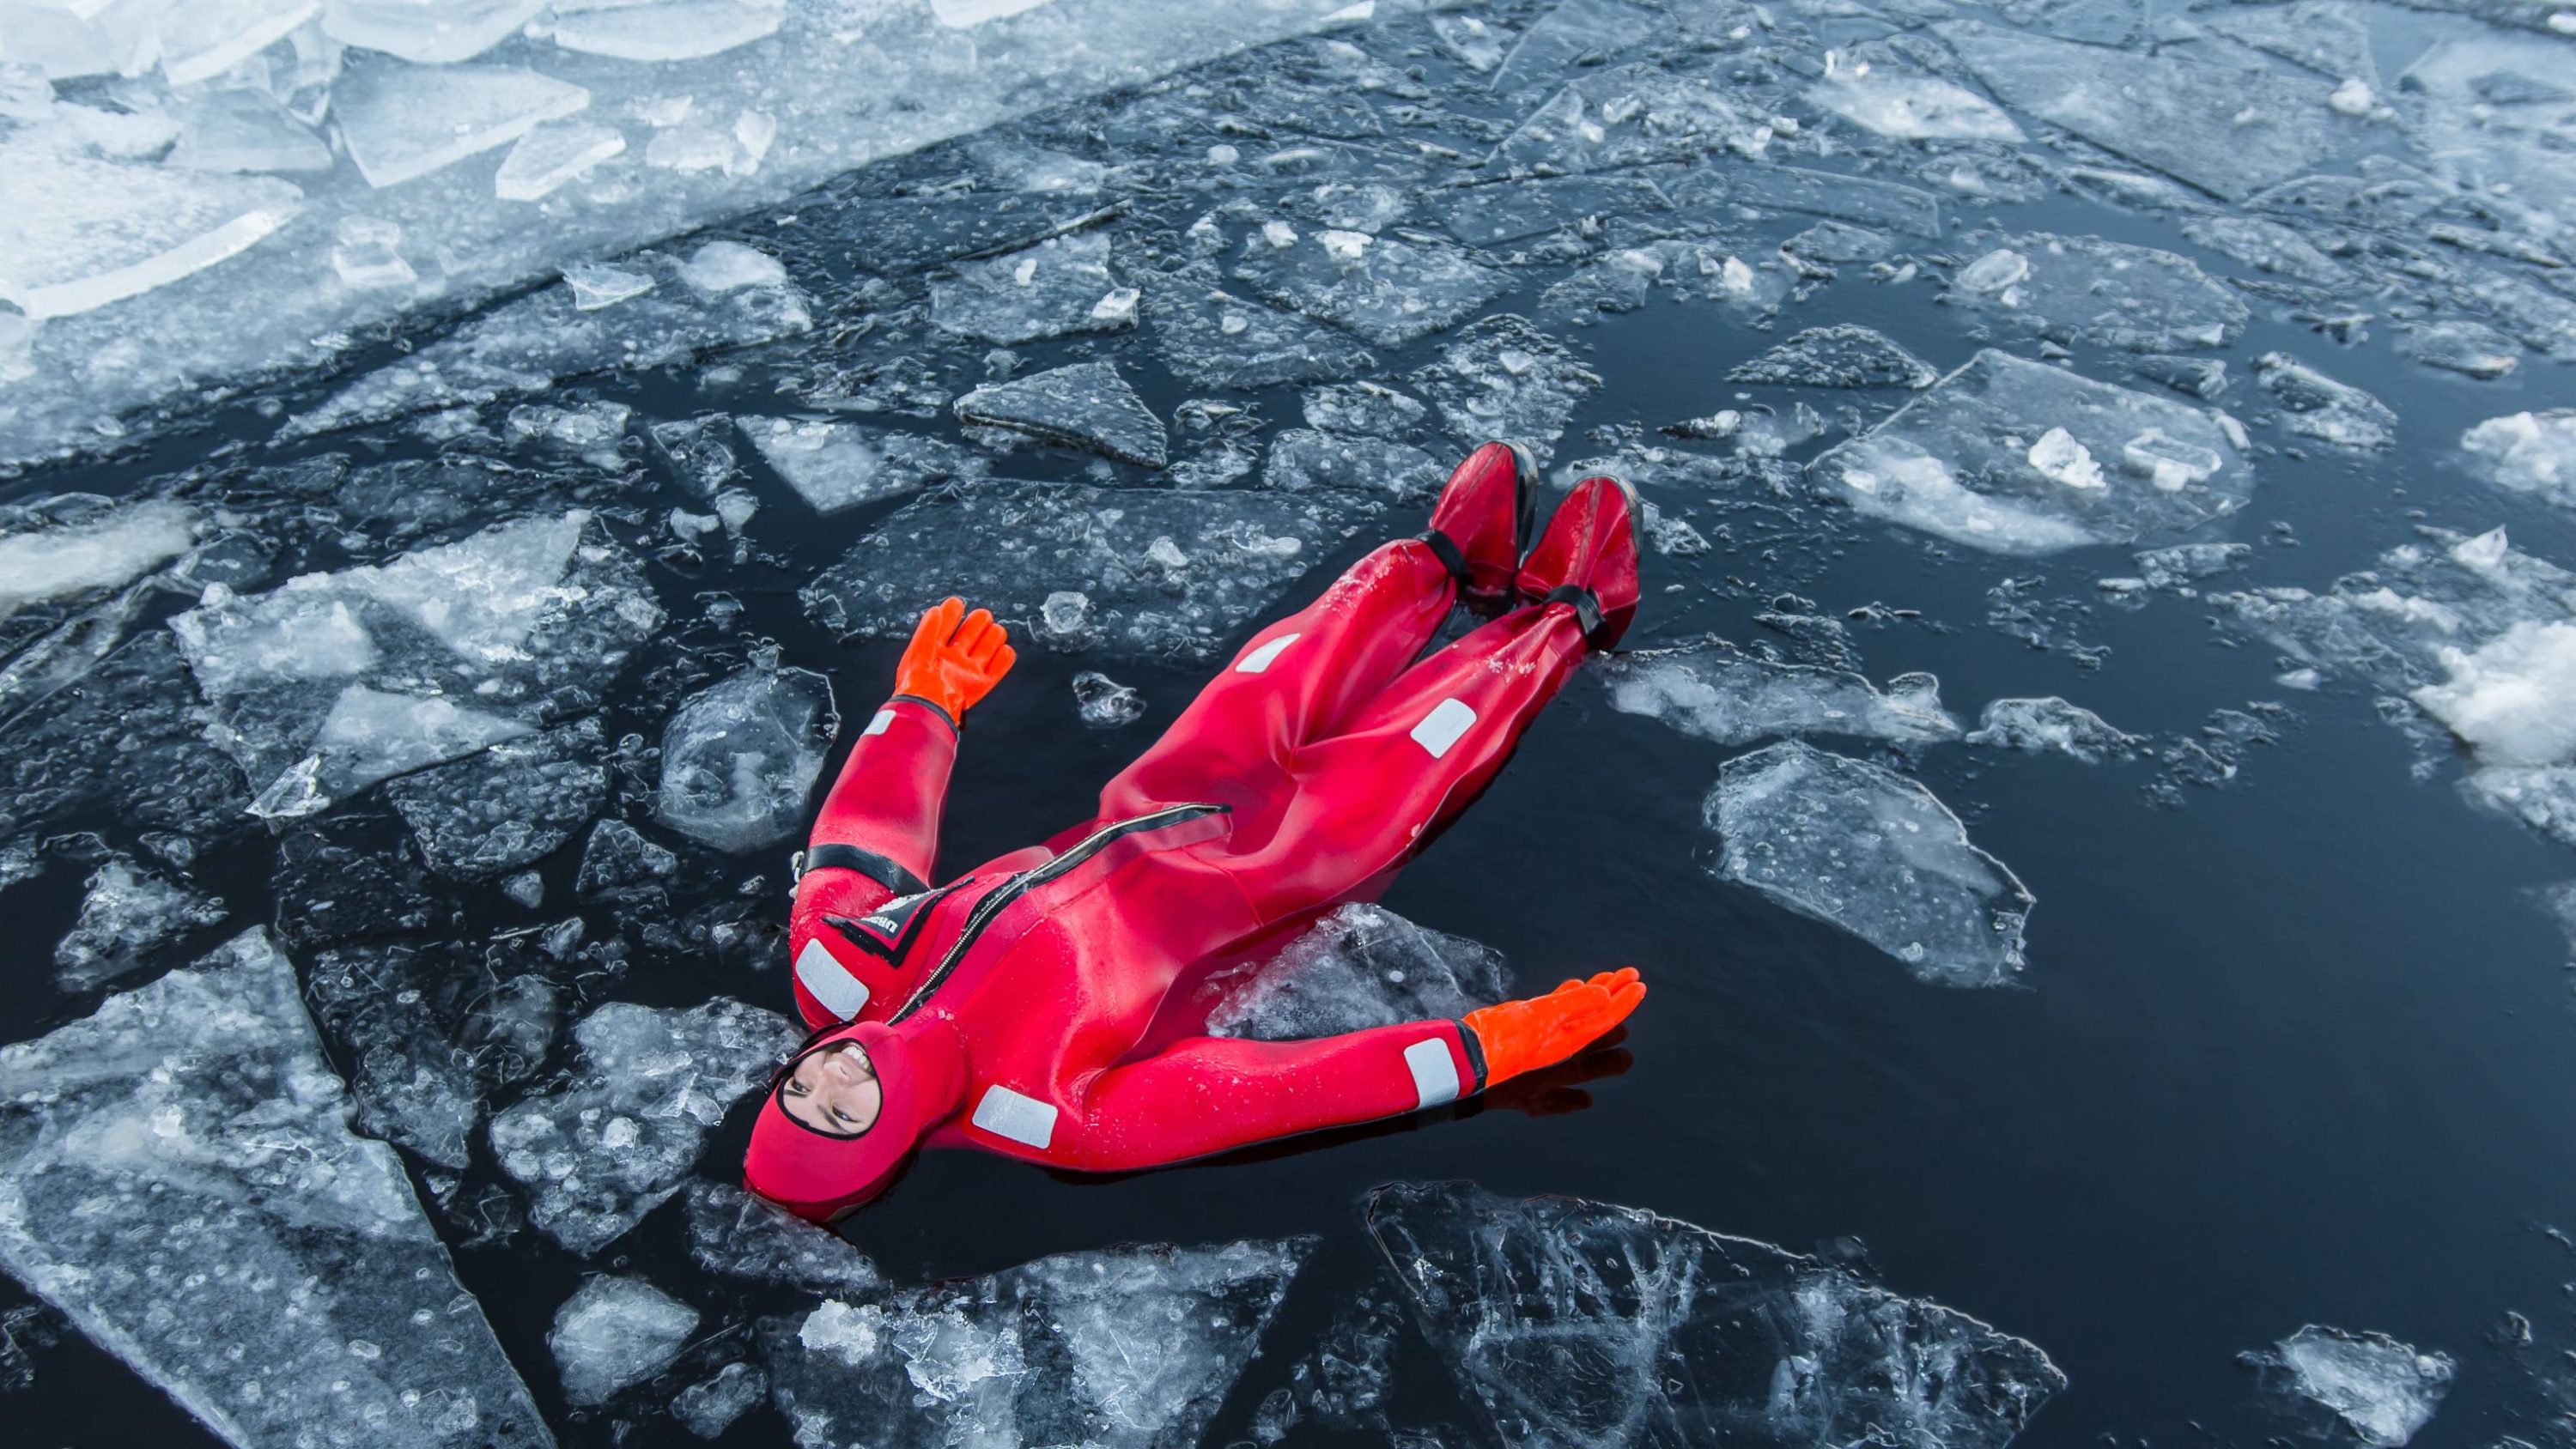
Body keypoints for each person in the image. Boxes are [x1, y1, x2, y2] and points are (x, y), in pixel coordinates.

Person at [744, 442, 1649, 1222]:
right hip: (1285, 873)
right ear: (891, 1141)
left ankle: (1445, 557)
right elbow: (1284, 1092)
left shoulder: (835, 965)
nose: (837, 1078)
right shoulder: (1056, 1114)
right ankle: (1571, 609)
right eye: (841, 1116)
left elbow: (864, 833)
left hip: (1157, 800)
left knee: (1284, 665)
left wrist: (923, 703)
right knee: (1436, 730)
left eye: (801, 1088)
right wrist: (1484, 1051)